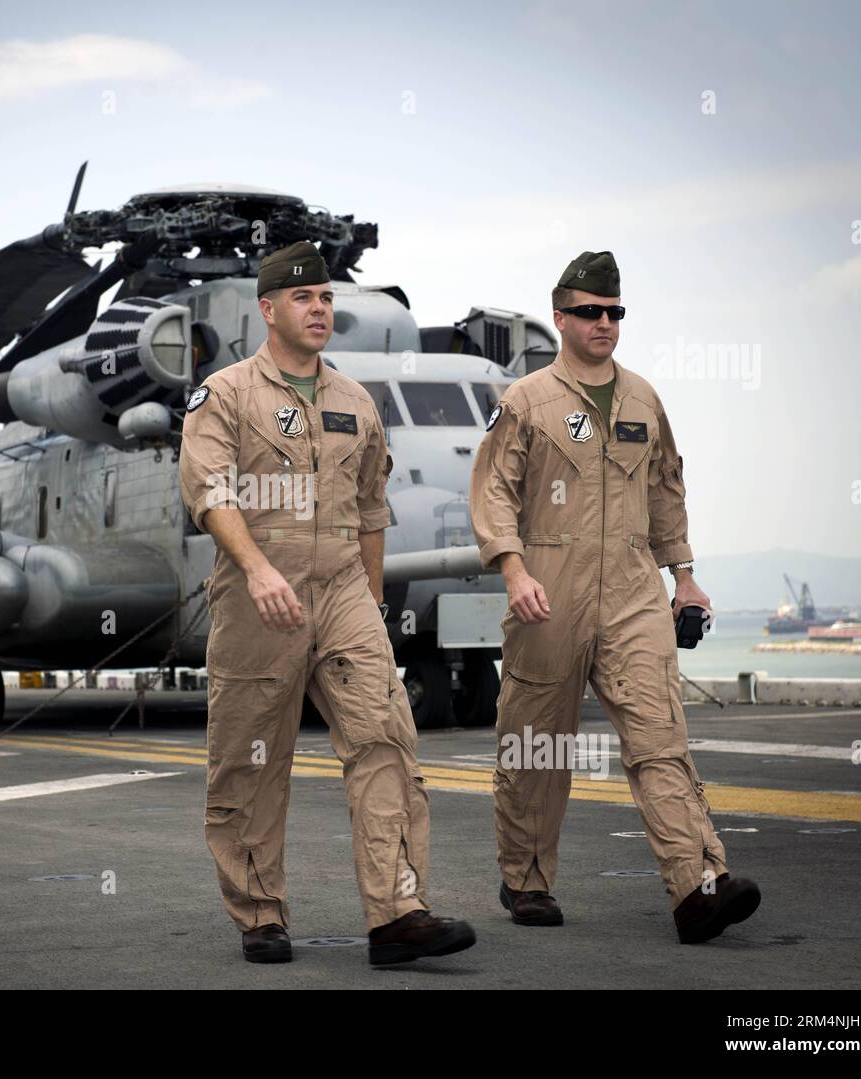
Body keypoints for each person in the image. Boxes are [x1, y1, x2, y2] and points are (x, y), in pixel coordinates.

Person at [179, 240, 475, 965]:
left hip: (342, 591)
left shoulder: (354, 402)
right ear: (269, 308)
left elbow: (373, 509)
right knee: (250, 761)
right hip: (259, 595)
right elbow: (209, 493)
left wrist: (371, 605)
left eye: (326, 299)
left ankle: (398, 911)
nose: (319, 310)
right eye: (304, 298)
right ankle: (261, 914)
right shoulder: (225, 396)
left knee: (386, 740)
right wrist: (254, 568)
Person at [468, 251, 761, 944]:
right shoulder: (525, 402)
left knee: (661, 738)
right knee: (537, 744)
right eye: (592, 312)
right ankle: (528, 879)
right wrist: (514, 570)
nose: (606, 323)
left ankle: (697, 886)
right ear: (562, 316)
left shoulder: (643, 400)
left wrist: (683, 574)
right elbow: (493, 494)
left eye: (615, 313)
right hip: (549, 585)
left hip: (633, 589)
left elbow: (666, 490)